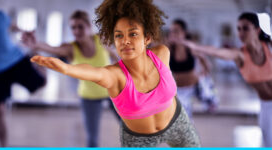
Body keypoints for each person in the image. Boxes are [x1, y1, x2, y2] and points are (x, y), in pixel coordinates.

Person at [30, 0, 200, 147]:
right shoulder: (114, 75)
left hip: (178, 124)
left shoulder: (162, 53)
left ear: (147, 37)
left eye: (133, 34)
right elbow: (94, 72)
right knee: (92, 137)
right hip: (137, 138)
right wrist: (67, 68)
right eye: (119, 36)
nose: (125, 41)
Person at [22, 10, 120, 147]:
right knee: (92, 140)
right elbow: (53, 49)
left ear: (88, 27)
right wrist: (36, 44)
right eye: (73, 27)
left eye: (80, 26)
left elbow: (115, 55)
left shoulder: (101, 40)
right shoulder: (71, 49)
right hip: (89, 97)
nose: (76, 31)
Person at [176, 12, 272, 147]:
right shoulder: (239, 55)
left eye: (245, 28)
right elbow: (216, 51)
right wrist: (195, 46)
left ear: (257, 30)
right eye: (238, 29)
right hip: (266, 105)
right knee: (268, 143)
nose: (241, 33)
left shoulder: (269, 47)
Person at [0, 0, 46, 147]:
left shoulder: (1, 16)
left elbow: (13, 26)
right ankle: (3, 146)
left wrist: (25, 32)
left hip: (17, 62)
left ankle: (38, 57)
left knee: (42, 83)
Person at [167, 19, 218, 118]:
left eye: (176, 31)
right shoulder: (168, 49)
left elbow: (207, 65)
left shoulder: (191, 48)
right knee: (182, 116)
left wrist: (204, 73)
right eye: (171, 31)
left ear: (184, 33)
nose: (173, 34)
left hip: (194, 86)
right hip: (178, 90)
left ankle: (209, 100)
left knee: (210, 97)